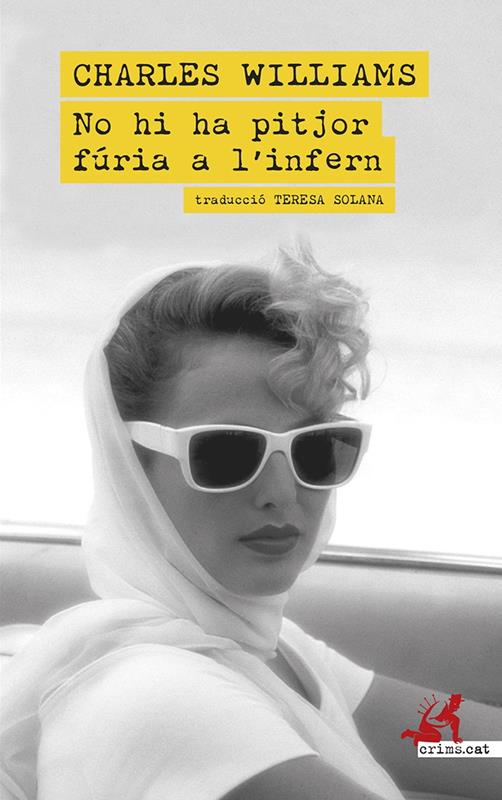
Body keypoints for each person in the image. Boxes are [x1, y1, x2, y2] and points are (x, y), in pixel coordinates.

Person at [1, 244, 500, 800]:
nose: (281, 495)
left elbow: (447, 744)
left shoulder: (273, 653)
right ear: (131, 468)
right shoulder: (163, 699)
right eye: (227, 453)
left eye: (317, 447)